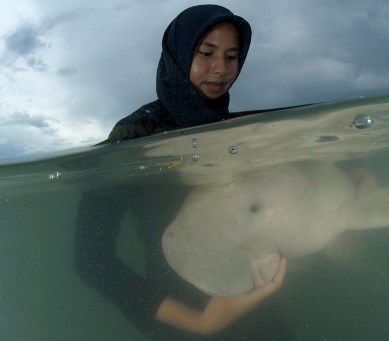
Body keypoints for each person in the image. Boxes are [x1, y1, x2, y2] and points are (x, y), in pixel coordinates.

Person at [74, 4, 287, 338]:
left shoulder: (240, 129)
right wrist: (199, 321)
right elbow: (91, 259)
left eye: (232, 57)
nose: (220, 69)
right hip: (184, 322)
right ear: (179, 53)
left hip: (259, 313)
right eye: (206, 53)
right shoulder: (135, 135)